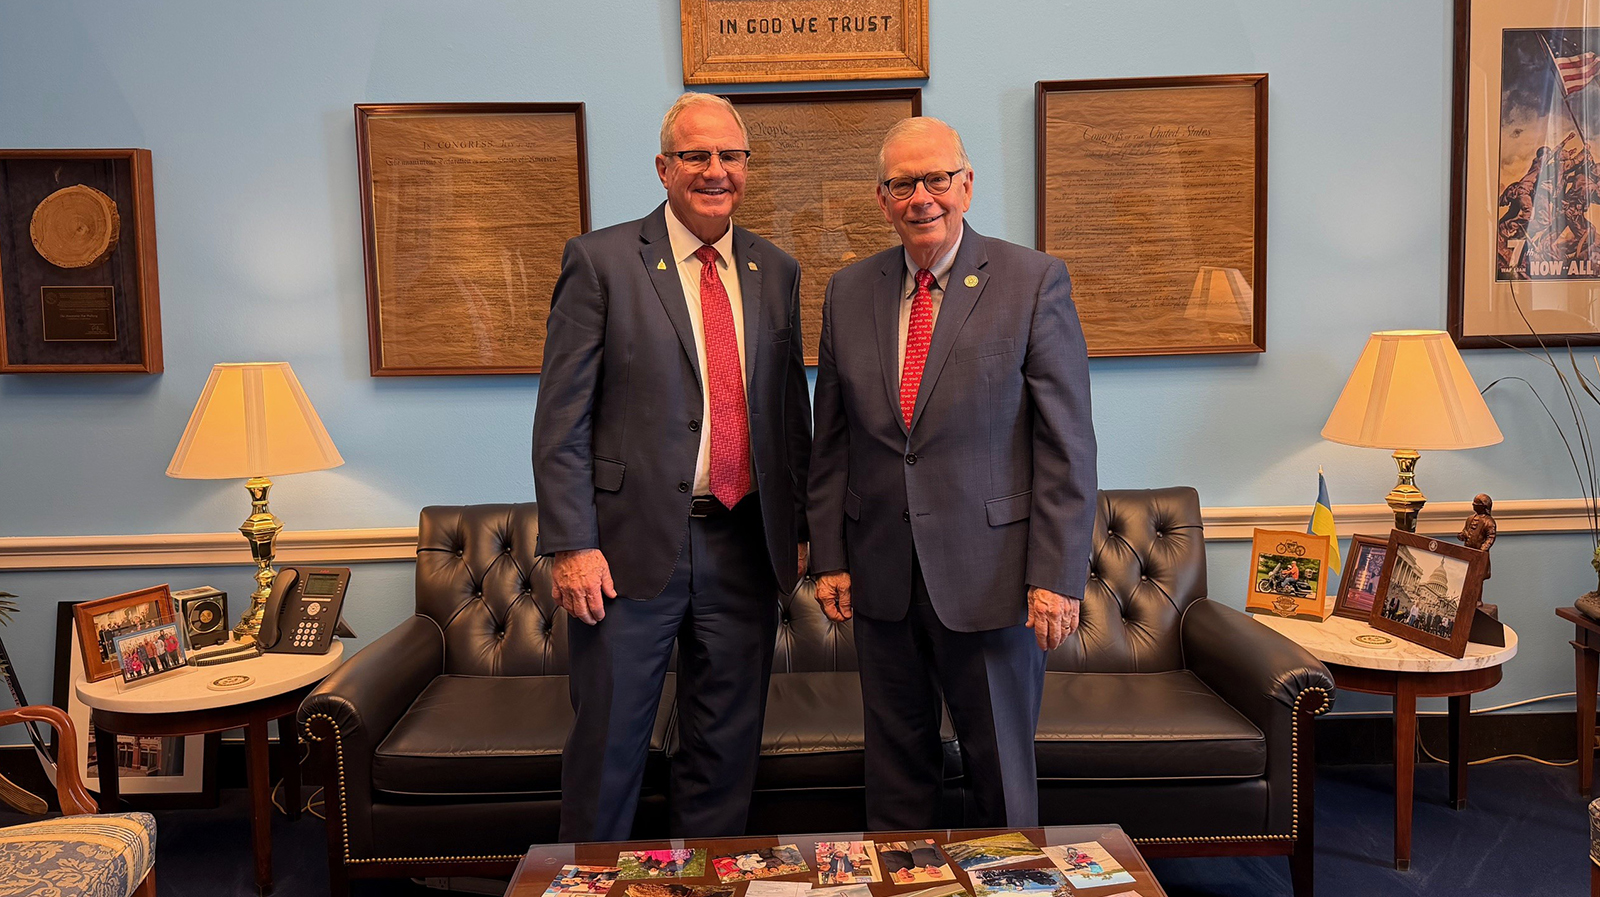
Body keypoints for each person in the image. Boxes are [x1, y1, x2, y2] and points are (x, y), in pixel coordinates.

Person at [533, 92, 811, 841]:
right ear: (664, 167)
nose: (714, 170)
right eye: (696, 156)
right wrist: (570, 542)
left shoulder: (776, 269)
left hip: (743, 541)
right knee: (609, 748)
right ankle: (587, 889)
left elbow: (790, 414)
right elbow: (561, 416)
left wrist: (804, 527)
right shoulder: (600, 261)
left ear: (748, 168)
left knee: (724, 752)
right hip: (624, 549)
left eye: (729, 156)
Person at [807, 116, 1097, 829]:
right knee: (897, 774)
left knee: (1000, 774)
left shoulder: (1032, 281)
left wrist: (1056, 576)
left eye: (936, 179)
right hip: (883, 581)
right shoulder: (847, 292)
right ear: (882, 199)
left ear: (965, 184)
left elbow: (1067, 445)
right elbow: (833, 440)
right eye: (902, 184)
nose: (921, 198)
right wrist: (831, 556)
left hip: (994, 580)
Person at [1458, 493, 1497, 579]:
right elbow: (1465, 531)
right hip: (1467, 553)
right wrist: (1462, 535)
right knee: (1465, 578)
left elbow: (1490, 537)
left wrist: (1482, 551)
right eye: (1473, 504)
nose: (1474, 505)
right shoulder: (1470, 519)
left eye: (1476, 504)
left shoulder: (1489, 522)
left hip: (1479, 556)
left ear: (1483, 506)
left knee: (1476, 580)